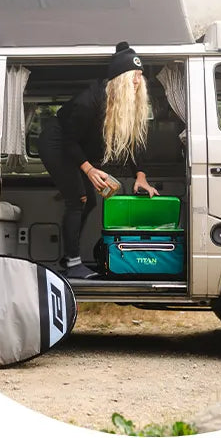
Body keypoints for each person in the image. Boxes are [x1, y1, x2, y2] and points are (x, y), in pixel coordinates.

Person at [37, 42, 160, 279]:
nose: (139, 81)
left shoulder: (129, 106)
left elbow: (134, 143)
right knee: (79, 199)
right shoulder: (89, 101)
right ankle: (72, 264)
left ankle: (67, 257)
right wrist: (89, 169)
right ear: (120, 78)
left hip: (76, 148)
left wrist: (141, 176)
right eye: (134, 75)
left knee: (90, 202)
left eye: (141, 75)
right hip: (57, 142)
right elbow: (69, 140)